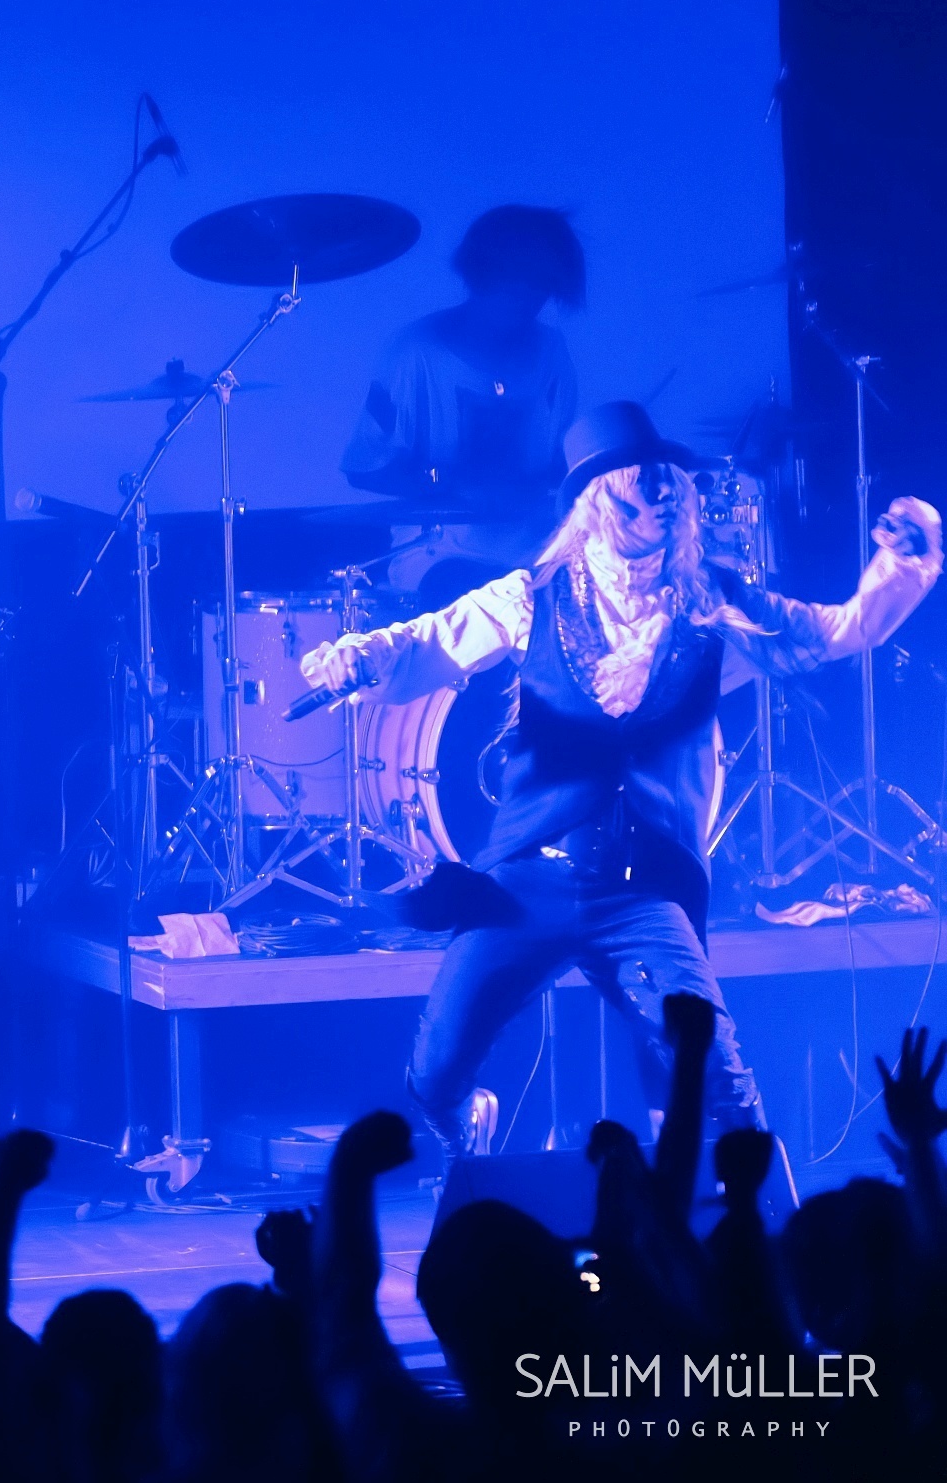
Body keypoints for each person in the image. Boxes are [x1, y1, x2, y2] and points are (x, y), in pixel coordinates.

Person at [301, 401, 941, 1156]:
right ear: (602, 498)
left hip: (643, 890)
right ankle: (466, 1119)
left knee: (715, 1070)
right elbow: (429, 641)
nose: (665, 494)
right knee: (436, 1069)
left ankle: (758, 1211)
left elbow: (838, 630)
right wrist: (359, 656)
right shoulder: (532, 597)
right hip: (528, 880)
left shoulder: (713, 608)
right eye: (644, 480)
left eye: (671, 480)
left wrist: (903, 565)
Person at [339, 204, 585, 600]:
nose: (532, 300)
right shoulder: (416, 353)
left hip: (537, 556)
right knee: (471, 593)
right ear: (485, 275)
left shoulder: (552, 352)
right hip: (439, 557)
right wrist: (450, 484)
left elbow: (558, 464)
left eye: (543, 288)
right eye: (521, 285)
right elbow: (364, 468)